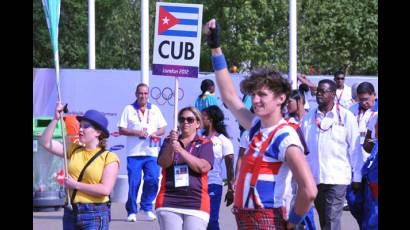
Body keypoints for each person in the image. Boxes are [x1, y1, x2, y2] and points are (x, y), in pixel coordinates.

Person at [205, 18, 317, 229]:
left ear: (281, 98)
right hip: (248, 218)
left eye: (262, 95)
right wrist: (215, 49)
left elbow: (309, 189)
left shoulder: (285, 136)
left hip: (268, 219)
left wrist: (292, 222)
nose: (255, 100)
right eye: (254, 95)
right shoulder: (256, 126)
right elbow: (229, 96)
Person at [39, 103, 120, 230]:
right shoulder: (73, 149)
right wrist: (55, 119)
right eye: (80, 126)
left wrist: (75, 185)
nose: (80, 129)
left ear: (98, 132)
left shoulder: (109, 158)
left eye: (86, 126)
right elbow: (45, 142)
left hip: (95, 213)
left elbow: (105, 190)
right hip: (71, 212)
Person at [300, 79, 363, 230]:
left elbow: (355, 149)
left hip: (337, 178)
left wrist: (357, 177)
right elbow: (302, 149)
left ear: (333, 95)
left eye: (323, 91)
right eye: (318, 91)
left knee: (331, 218)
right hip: (315, 178)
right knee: (324, 220)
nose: (319, 94)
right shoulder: (308, 119)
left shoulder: (346, 117)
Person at [155, 107, 214, 230]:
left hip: (196, 202)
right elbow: (163, 163)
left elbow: (203, 167)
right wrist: (172, 146)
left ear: (197, 123)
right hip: (169, 200)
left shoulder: (205, 143)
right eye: (182, 120)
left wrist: (181, 150)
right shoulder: (170, 141)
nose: (185, 122)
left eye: (190, 120)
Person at [118, 83, 167, 222]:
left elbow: (163, 128)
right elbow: (121, 129)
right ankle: (132, 210)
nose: (143, 96)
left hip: (152, 152)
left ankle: (146, 207)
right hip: (134, 153)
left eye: (145, 93)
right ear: (136, 94)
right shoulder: (128, 109)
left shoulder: (155, 109)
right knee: (134, 182)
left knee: (153, 179)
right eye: (140, 93)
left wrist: (154, 133)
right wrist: (136, 132)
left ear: (149, 94)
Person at [201, 105, 235, 230]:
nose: (199, 120)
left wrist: (231, 189)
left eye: (202, 117)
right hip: (197, 184)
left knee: (211, 219)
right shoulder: (199, 139)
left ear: (210, 120)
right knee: (197, 220)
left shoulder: (223, 141)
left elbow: (230, 167)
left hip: (213, 183)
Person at [349, 82, 378, 161]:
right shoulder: (351, 110)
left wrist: (370, 142)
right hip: (354, 155)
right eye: (361, 100)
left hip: (372, 157)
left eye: (366, 99)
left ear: (374, 95)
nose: (363, 103)